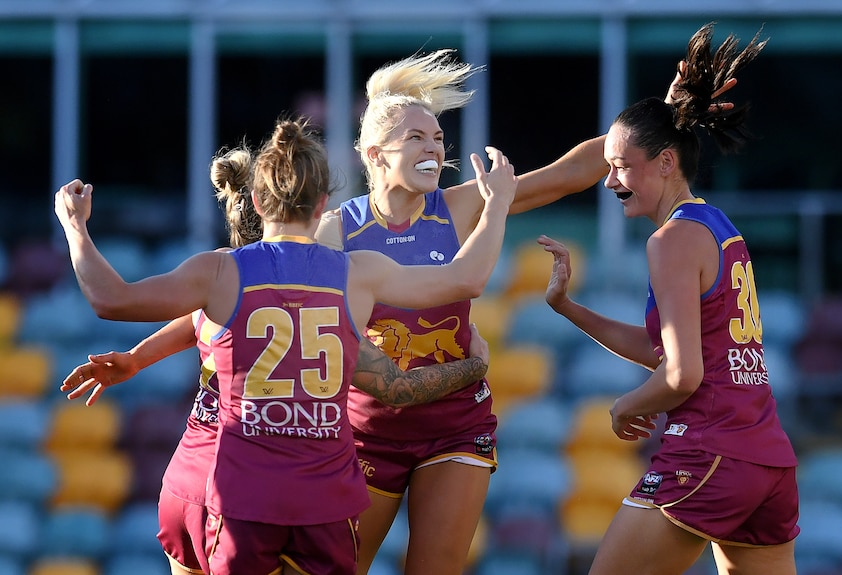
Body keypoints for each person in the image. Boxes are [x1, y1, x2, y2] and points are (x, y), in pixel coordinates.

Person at [313, 48, 739, 575]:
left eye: (439, 137)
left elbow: (569, 174)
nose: (434, 147)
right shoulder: (336, 231)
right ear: (376, 154)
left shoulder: (463, 204)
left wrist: (659, 124)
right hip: (368, 426)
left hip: (455, 422)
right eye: (416, 138)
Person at [54, 115, 517, 575]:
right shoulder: (356, 273)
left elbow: (112, 299)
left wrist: (75, 227)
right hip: (323, 499)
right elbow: (465, 281)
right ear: (322, 205)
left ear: (256, 199)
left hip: (240, 492)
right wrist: (495, 206)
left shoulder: (222, 272)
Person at [539, 22, 798, 575]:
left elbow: (682, 377)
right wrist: (568, 307)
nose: (609, 182)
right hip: (767, 459)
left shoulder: (670, 240)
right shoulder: (717, 227)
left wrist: (624, 405)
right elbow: (668, 350)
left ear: (665, 163)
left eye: (619, 166)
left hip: (710, 450)